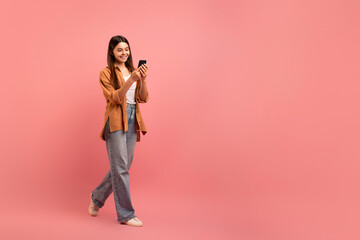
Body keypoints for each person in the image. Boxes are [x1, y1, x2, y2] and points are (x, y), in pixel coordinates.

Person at [88, 35, 149, 227]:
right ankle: (126, 214)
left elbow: (143, 98)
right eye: (120, 50)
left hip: (132, 120)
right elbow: (114, 98)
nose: (124, 53)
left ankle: (97, 198)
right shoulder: (106, 73)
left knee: (122, 166)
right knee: (121, 167)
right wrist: (131, 80)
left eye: (127, 49)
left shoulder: (134, 71)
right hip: (115, 121)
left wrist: (143, 79)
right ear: (112, 52)